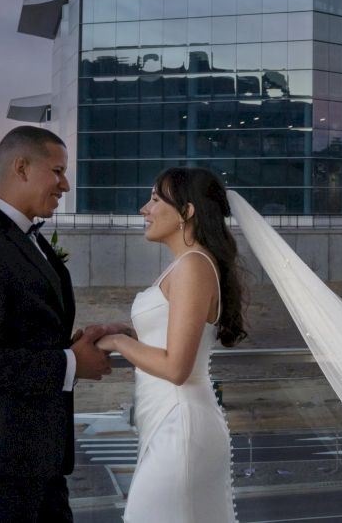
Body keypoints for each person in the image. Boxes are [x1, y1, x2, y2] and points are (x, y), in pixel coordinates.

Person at [0, 126, 113, 523]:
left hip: (35, 455)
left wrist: (82, 343)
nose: (65, 184)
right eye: (58, 171)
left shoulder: (26, 240)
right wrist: (71, 364)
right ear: (23, 168)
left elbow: (27, 332)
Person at [94, 166, 246, 523]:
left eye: (155, 199)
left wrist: (116, 341)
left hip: (181, 425)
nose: (144, 210)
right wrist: (131, 334)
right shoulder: (185, 265)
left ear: (188, 211)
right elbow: (167, 337)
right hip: (168, 422)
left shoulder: (193, 266)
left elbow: (177, 368)